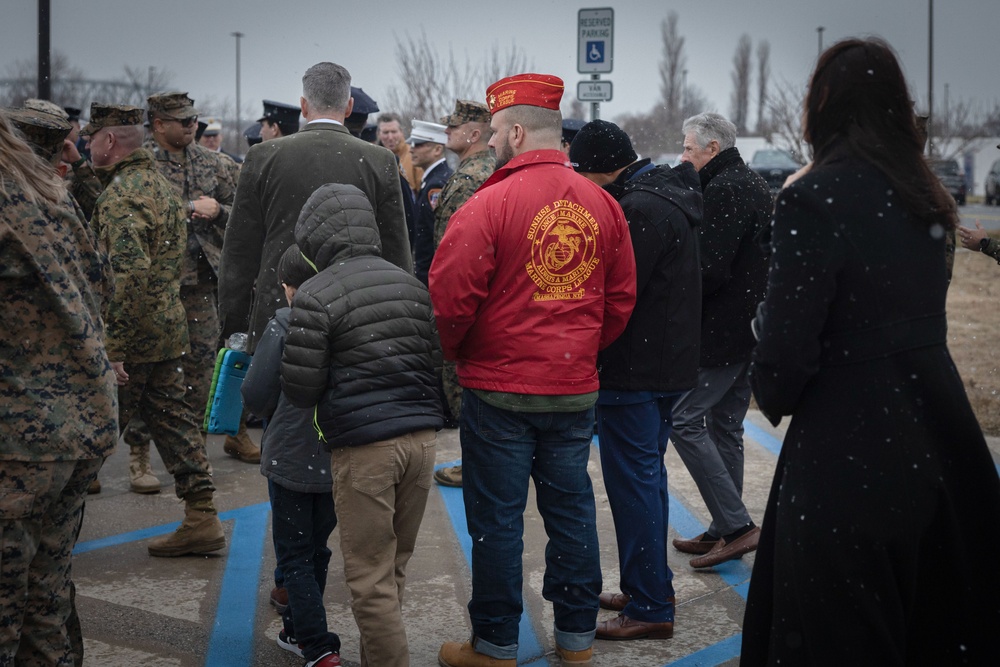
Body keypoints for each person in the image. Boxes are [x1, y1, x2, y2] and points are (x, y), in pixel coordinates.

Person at [742, 37, 1000, 666]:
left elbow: (786, 347)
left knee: (836, 628)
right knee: (935, 618)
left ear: (821, 108)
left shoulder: (814, 196)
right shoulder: (924, 193)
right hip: (939, 425)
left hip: (848, 440)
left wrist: (774, 379)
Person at [430, 73, 637, 667]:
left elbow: (450, 298)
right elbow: (619, 299)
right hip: (572, 390)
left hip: (499, 392)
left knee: (496, 521)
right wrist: (579, 348)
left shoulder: (488, 203)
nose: (492, 142)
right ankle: (576, 643)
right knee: (571, 511)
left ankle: (494, 645)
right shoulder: (602, 203)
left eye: (496, 131)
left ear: (516, 131)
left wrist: (464, 353)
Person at [281, 182, 443, 667]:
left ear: (314, 235)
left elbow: (300, 390)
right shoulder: (410, 283)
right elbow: (434, 363)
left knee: (369, 580)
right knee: (392, 570)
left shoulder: (314, 293)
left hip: (365, 450)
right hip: (421, 443)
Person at [570, 119, 703, 641]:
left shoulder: (639, 209)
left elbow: (614, 291)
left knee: (634, 487)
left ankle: (650, 605)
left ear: (603, 168)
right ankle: (645, 586)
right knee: (646, 480)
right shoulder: (666, 194)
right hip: (664, 366)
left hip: (635, 371)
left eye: (583, 173)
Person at [0, 111, 117, 667]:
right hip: (81, 425)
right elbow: (103, 283)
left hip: (17, 440)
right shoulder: (48, 192)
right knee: (44, 601)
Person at [85, 102, 226, 557]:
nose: (88, 145)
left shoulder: (124, 194)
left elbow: (128, 276)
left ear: (108, 141)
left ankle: (38, 536)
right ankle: (202, 516)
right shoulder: (158, 185)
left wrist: (115, 348)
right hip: (167, 331)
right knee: (176, 423)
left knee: (87, 433)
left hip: (135, 340)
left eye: (92, 138)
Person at [218, 61, 411, 352]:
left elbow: (239, 251)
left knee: (277, 395)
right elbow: (396, 251)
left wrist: (234, 324)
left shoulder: (263, 156)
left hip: (279, 311)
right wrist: (396, 319)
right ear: (348, 106)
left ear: (304, 106)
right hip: (357, 315)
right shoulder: (379, 160)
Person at [135, 91, 258, 475]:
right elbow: (135, 210)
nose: (192, 126)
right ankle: (138, 456)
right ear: (158, 125)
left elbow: (245, 209)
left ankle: (224, 435)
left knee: (211, 364)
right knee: (147, 369)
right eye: (183, 121)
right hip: (154, 286)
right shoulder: (140, 167)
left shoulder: (214, 163)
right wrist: (190, 208)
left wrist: (219, 209)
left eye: (193, 120)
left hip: (203, 286)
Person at [668, 111, 772, 568]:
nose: (683, 154)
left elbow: (709, 268)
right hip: (747, 329)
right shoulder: (747, 181)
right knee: (724, 426)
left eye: (688, 147)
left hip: (724, 332)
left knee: (684, 419)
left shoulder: (727, 187)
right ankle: (722, 528)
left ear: (712, 148)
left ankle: (736, 526)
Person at [242, 245, 341, 667]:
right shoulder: (344, 318)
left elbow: (256, 392)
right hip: (335, 456)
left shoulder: (284, 322)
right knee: (317, 547)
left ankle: (316, 647)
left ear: (288, 287)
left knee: (294, 555)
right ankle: (298, 628)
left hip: (290, 458)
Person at [431, 100, 495, 471]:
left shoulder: (473, 176)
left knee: (464, 390)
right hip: (476, 302)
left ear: (474, 134)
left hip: (466, 305)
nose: (446, 133)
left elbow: (457, 252)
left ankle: (478, 467)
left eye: (453, 127)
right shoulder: (479, 169)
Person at [408, 119, 453, 285]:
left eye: (419, 144)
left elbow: (436, 234)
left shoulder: (436, 184)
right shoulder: (433, 180)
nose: (412, 149)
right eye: (412, 144)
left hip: (430, 275)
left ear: (437, 149)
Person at [378, 111, 423, 196]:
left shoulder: (414, 156)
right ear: (378, 134)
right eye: (385, 132)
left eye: (394, 132)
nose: (390, 137)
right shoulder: (374, 158)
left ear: (401, 132)